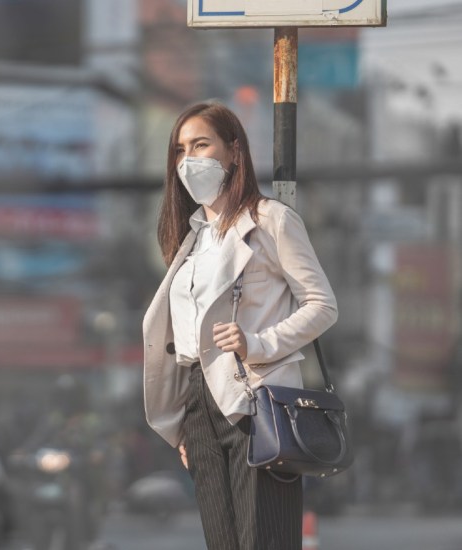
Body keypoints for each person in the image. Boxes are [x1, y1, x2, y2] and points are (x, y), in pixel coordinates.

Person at [143, 102, 338, 550]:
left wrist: (257, 343)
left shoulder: (271, 220)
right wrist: (184, 425)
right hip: (198, 404)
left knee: (263, 540)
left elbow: (322, 305)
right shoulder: (191, 237)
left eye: (201, 144)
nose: (188, 160)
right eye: (179, 150)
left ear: (234, 151)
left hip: (258, 400)